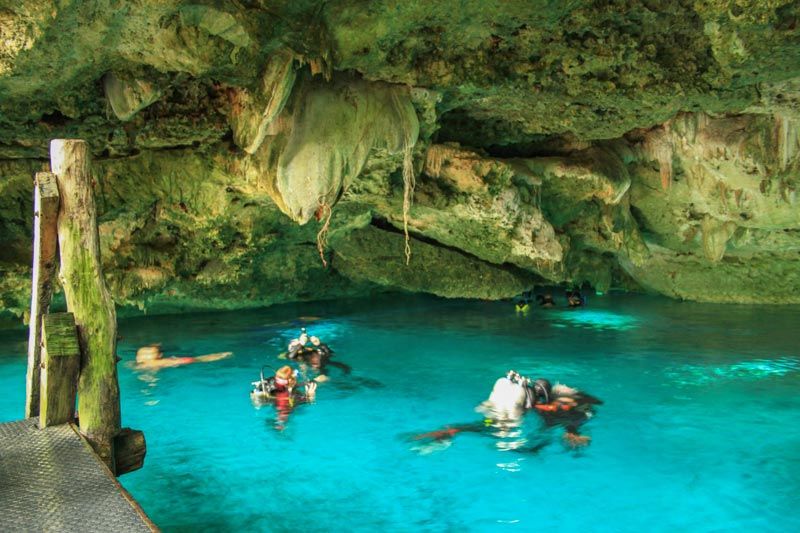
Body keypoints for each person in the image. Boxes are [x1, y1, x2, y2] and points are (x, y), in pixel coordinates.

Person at [412, 370, 601, 451]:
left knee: (490, 425)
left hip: (507, 412)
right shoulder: (544, 405)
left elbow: (574, 417)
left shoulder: (563, 408)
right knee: (492, 425)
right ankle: (454, 430)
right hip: (508, 416)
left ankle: (454, 430)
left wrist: (572, 432)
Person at [250, 365, 318, 430]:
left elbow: (305, 400)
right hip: (281, 402)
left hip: (285, 405)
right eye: (277, 377)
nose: (277, 380)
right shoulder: (275, 384)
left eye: (281, 378)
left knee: (284, 410)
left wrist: (310, 395)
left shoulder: (293, 394)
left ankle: (280, 424)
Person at [135, 344, 232, 370]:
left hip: (177, 361)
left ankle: (221, 355)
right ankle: (222, 355)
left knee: (198, 359)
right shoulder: (154, 362)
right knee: (199, 359)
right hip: (177, 361)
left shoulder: (151, 362)